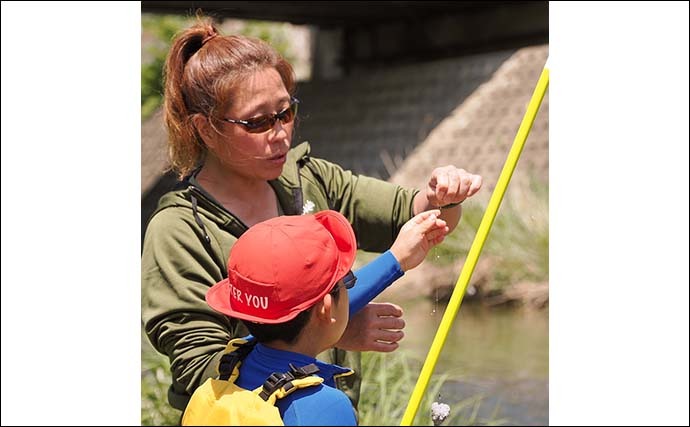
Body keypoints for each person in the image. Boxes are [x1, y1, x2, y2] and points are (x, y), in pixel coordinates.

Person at [141, 17, 483, 413]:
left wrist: (442, 196)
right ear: (205, 128)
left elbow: (415, 217)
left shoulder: (312, 178)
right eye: (258, 122)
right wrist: (329, 333)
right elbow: (202, 371)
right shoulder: (179, 230)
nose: (281, 133)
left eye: (285, 113)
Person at [184, 209, 449, 425]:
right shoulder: (325, 409)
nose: (349, 287)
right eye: (347, 281)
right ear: (325, 308)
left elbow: (293, 309)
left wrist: (397, 259)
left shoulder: (233, 367)